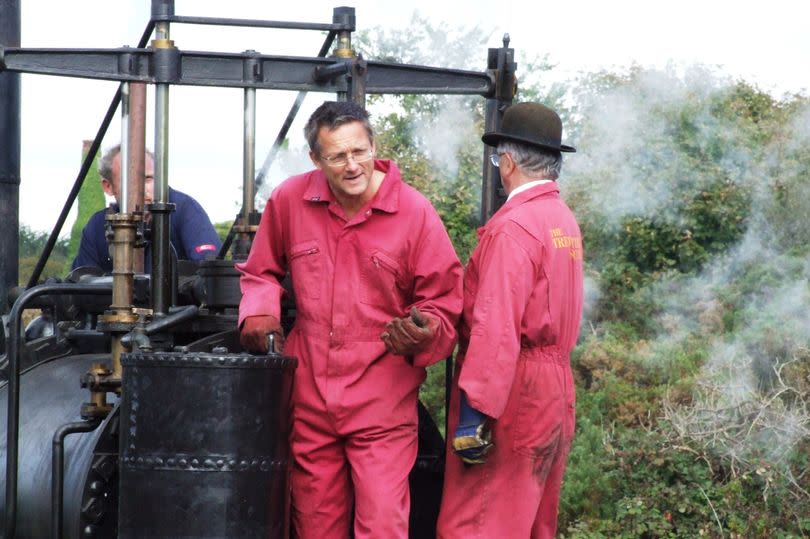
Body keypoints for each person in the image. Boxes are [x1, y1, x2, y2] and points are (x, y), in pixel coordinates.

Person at [237, 101, 463, 538]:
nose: (352, 165)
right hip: (309, 395)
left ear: (374, 145)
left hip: (383, 398)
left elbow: (444, 301)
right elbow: (259, 270)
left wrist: (423, 331)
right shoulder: (290, 200)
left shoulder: (414, 213)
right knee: (315, 523)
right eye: (338, 156)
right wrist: (261, 313)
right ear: (316, 160)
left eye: (359, 151)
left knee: (382, 523)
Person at [436, 102, 584, 538]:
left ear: (507, 160)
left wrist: (474, 411)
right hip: (554, 391)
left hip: (513, 391)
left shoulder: (514, 226)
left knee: (478, 523)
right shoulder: (562, 221)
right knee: (533, 523)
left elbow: (496, 328)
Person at [71, 144, 221, 272]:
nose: (142, 190)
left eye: (148, 179)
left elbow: (210, 273)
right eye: (131, 181)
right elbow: (82, 281)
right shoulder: (97, 227)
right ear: (108, 186)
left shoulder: (186, 211)